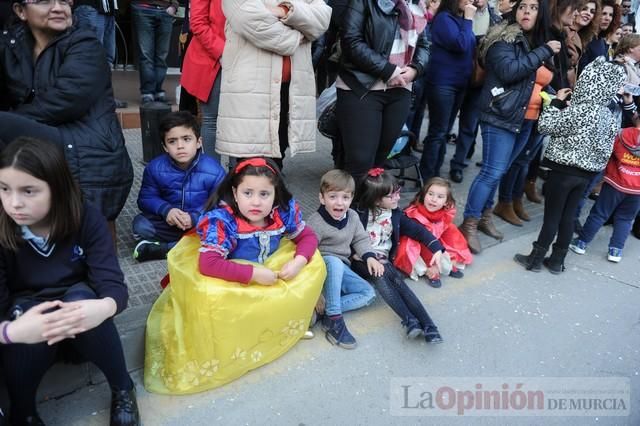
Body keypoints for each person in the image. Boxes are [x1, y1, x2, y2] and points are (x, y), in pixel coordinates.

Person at [144, 157, 325, 394]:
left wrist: (299, 262)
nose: (256, 202)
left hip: (265, 270)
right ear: (234, 192)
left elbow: (308, 237)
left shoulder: (283, 211)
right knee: (209, 295)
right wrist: (252, 273)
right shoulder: (223, 220)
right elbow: (208, 264)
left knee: (314, 261)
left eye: (264, 194)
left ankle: (286, 322)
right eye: (247, 192)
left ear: (276, 193)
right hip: (234, 277)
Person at [0, 137, 139, 425]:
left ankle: (122, 387)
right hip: (28, 312)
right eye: (4, 189)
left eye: (29, 190)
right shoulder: (3, 226)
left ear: (57, 188)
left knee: (83, 304)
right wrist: (11, 331)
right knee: (21, 319)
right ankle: (23, 412)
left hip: (79, 308)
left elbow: (112, 283)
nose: (14, 202)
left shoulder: (85, 216)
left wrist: (103, 308)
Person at [0, 0, 133, 231]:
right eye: (44, 1)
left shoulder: (86, 43)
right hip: (45, 137)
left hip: (85, 146)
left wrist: (12, 120)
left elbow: (64, 102)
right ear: (20, 11)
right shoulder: (12, 44)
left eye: (64, 1)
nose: (59, 8)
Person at [458, 0, 559, 254]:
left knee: (500, 172)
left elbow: (538, 81)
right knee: (491, 172)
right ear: (515, 10)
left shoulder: (535, 41)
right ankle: (468, 225)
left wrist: (555, 94)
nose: (527, 11)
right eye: (523, 6)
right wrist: (544, 51)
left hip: (527, 119)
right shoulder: (503, 38)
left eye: (534, 7)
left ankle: (484, 217)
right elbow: (509, 71)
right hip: (500, 116)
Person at [514, 57, 626, 273]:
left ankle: (535, 259)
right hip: (586, 175)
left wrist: (556, 103)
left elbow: (546, 126)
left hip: (563, 171)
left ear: (589, 82)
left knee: (551, 217)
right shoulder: (609, 116)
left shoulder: (581, 110)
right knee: (568, 217)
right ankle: (557, 261)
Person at [216, 0, 331, 169]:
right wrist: (301, 33)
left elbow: (322, 18)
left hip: (290, 88)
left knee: (278, 156)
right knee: (247, 162)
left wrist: (284, 11)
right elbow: (252, 22)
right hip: (251, 91)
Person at [336, 0, 429, 182]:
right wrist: (387, 70)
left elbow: (424, 44)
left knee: (380, 161)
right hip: (362, 86)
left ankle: (370, 208)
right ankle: (351, 208)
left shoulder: (416, 5)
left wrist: (416, 69)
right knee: (360, 161)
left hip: (401, 87)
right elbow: (351, 40)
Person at [353, 168, 445, 343]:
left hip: (384, 261)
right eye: (391, 196)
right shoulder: (358, 213)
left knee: (398, 283)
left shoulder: (395, 214)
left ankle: (429, 326)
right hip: (360, 260)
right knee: (380, 275)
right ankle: (409, 320)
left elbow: (418, 230)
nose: (397, 198)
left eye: (397, 192)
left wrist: (437, 248)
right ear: (376, 199)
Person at [132, 111, 226, 262]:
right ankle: (185, 248)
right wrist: (166, 210)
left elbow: (221, 205)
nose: (180, 146)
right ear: (164, 146)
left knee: (223, 228)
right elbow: (145, 198)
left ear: (199, 142)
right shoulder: (155, 167)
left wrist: (195, 218)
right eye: (172, 141)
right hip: (169, 223)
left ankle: (165, 249)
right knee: (140, 225)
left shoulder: (214, 170)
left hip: (199, 225)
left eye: (186, 139)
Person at [306, 170, 381, 349]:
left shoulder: (353, 217)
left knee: (368, 294)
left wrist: (370, 257)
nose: (339, 202)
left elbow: (360, 239)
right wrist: (315, 294)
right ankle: (334, 318)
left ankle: (323, 313)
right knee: (333, 261)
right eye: (333, 197)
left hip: (341, 269)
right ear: (322, 198)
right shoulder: (315, 223)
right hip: (321, 268)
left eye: (345, 197)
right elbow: (307, 257)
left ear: (351, 198)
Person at [419, 0, 476, 180]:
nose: (470, 1)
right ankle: (427, 176)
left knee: (445, 131)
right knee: (438, 132)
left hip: (459, 84)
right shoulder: (444, 18)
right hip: (443, 83)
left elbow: (469, 45)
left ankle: (434, 174)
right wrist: (468, 20)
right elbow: (461, 44)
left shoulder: (461, 20)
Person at [448, 0, 502, 183]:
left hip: (479, 80)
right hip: (455, 76)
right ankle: (435, 162)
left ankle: (458, 165)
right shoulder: (458, 10)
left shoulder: (495, 18)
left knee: (469, 126)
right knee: (445, 124)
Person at [570, 123, 640, 263]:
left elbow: (606, 152)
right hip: (637, 189)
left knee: (599, 213)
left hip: (615, 182)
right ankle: (616, 251)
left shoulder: (622, 134)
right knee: (625, 219)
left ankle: (581, 243)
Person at [395, 177, 472, 286]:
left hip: (436, 243)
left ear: (446, 202)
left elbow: (445, 233)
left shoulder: (444, 213)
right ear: (424, 195)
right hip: (418, 245)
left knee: (451, 231)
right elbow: (423, 239)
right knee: (408, 246)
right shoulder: (414, 214)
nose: (434, 199)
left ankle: (448, 262)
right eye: (430, 194)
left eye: (440, 197)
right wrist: (432, 264)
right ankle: (429, 270)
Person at [180, 0, 225, 158]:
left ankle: (237, 173)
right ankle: (214, 174)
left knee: (237, 122)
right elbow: (197, 23)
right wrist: (223, 51)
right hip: (211, 57)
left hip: (242, 58)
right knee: (211, 119)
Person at [73, 0, 128, 109]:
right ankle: (88, 98)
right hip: (90, 7)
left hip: (108, 10)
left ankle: (104, 97)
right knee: (91, 57)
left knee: (107, 57)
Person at [131, 0, 178, 104]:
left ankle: (157, 91)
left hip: (165, 9)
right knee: (146, 54)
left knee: (162, 55)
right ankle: (148, 92)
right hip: (143, 8)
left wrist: (174, 5)